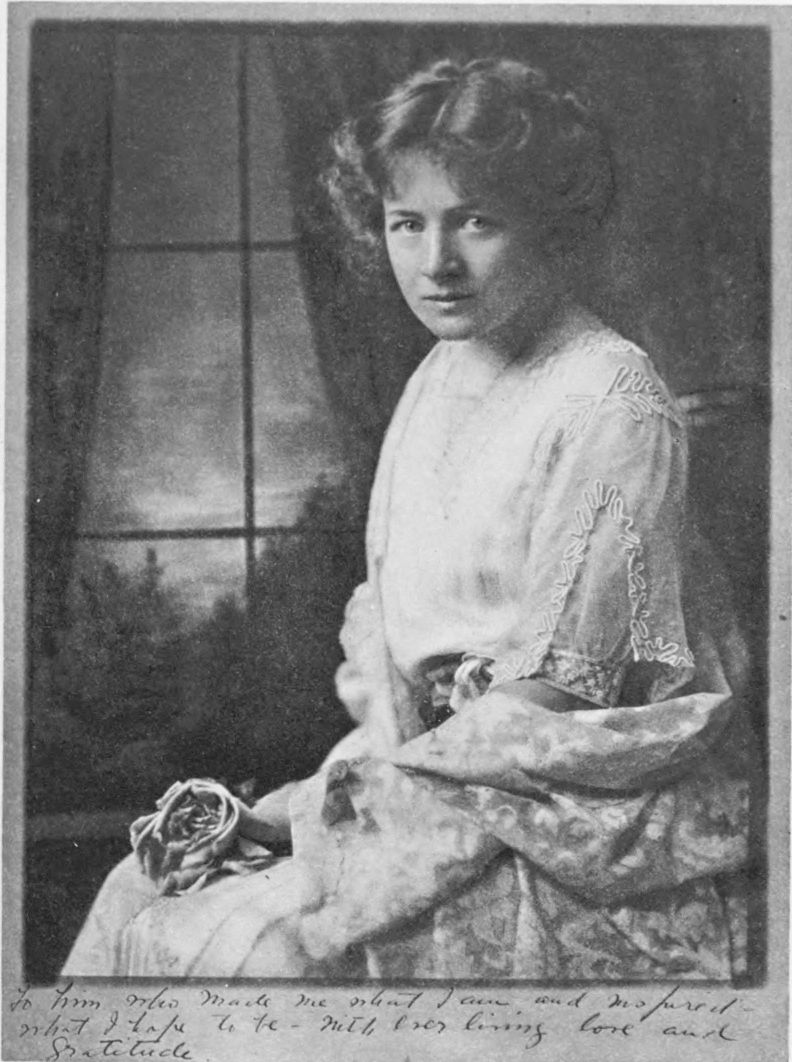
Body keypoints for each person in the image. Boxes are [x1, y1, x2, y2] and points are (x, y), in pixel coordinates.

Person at [64, 56, 753, 981]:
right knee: (134, 891)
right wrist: (326, 795)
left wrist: (326, 811)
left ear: (550, 222)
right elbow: (403, 669)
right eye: (407, 222)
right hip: (436, 775)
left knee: (263, 955)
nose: (437, 263)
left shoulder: (611, 400)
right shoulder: (440, 376)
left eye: (477, 220)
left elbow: (556, 700)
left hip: (561, 804)